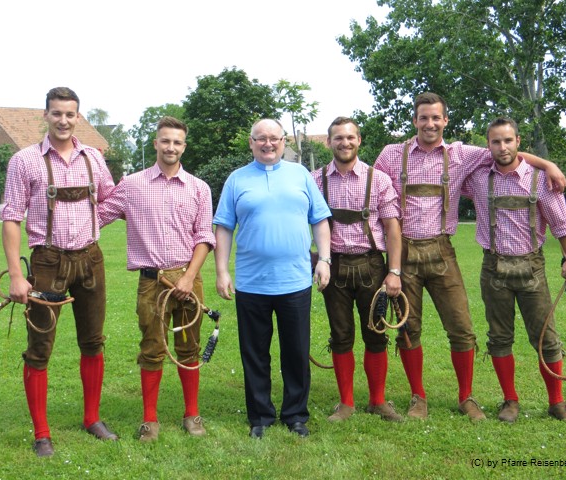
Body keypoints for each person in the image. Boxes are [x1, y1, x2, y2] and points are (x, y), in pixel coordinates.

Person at [375, 92, 566, 421]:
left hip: (442, 250)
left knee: (462, 328)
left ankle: (466, 397)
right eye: (424, 117)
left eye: (436, 117)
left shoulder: (462, 154)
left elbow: (505, 153)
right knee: (408, 329)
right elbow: (373, 191)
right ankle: (418, 397)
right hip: (403, 253)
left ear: (445, 120)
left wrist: (548, 164)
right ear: (415, 120)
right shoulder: (391, 154)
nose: (430, 123)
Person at [0, 87, 117, 457]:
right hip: (47, 263)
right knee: (39, 349)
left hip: (91, 259)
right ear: (45, 115)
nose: (63, 121)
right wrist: (16, 275)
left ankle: (92, 418)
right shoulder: (24, 161)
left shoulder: (93, 158)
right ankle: (42, 433)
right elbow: (11, 217)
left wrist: (92, 224)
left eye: (70, 114)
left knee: (93, 342)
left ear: (78, 117)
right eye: (56, 113)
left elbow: (112, 199)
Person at [98, 116, 216, 441]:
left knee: (189, 347)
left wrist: (189, 277)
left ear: (184, 147)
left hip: (188, 279)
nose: (171, 147)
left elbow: (204, 236)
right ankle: (150, 420)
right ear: (155, 143)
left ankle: (192, 414)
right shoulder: (132, 185)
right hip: (152, 282)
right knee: (152, 348)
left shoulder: (199, 188)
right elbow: (99, 216)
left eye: (177, 142)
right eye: (165, 141)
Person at [213, 118, 331, 438]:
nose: (268, 144)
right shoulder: (237, 180)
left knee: (296, 352)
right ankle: (261, 417)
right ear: (251, 143)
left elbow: (320, 220)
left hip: (295, 281)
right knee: (254, 354)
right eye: (261, 138)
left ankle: (295, 415)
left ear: (284, 141)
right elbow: (223, 227)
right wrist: (222, 271)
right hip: (252, 283)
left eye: (274, 138)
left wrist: (324, 260)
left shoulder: (301, 175)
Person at [462, 117, 566, 423]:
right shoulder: (477, 177)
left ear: (518, 142)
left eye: (508, 140)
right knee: (499, 337)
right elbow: (447, 172)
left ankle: (557, 402)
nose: (502, 147)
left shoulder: (540, 179)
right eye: (496, 141)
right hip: (493, 268)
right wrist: (548, 162)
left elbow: (561, 224)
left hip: (532, 267)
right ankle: (510, 401)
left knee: (546, 338)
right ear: (488, 145)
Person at [311, 117, 404, 423]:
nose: (345, 142)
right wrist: (313, 258)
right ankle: (346, 403)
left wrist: (394, 271)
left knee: (376, 334)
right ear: (329, 142)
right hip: (334, 266)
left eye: (350, 137)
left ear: (359, 140)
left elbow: (392, 228)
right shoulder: (314, 180)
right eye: (338, 137)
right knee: (340, 336)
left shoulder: (378, 179)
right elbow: (299, 221)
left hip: (371, 266)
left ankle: (378, 401)